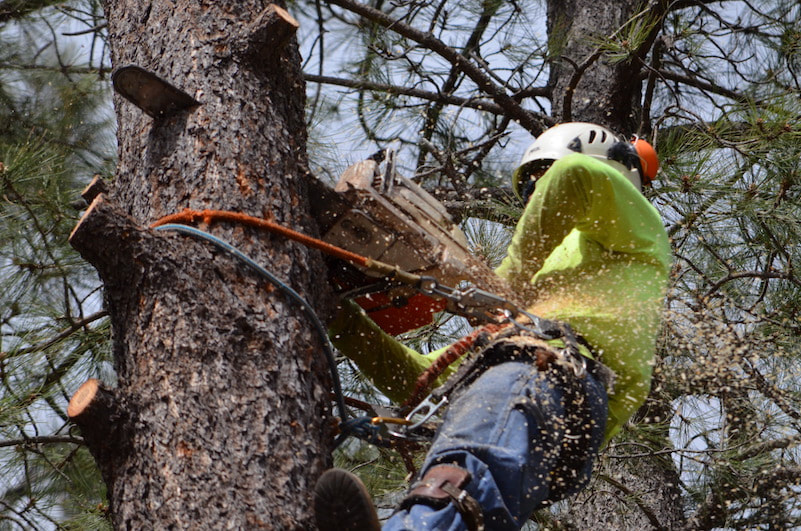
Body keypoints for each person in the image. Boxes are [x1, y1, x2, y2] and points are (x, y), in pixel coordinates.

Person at [314, 122, 671, 531]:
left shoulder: (638, 232)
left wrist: (505, 285)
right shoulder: (537, 306)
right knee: (470, 506)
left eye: (543, 179)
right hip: (550, 430)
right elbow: (419, 382)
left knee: (459, 481)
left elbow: (576, 179)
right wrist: (337, 316)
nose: (537, 195)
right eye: (530, 188)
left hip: (548, 374)